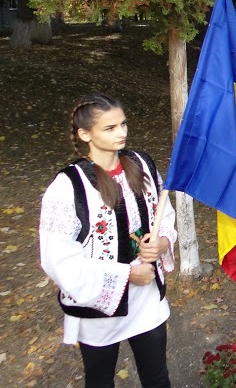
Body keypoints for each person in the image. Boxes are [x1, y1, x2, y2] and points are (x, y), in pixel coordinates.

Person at [39, 94, 176, 388]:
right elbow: (57, 259)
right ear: (85, 134)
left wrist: (162, 241)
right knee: (100, 380)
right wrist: (127, 274)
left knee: (157, 376)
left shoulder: (141, 164)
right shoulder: (68, 186)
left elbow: (163, 213)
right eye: (110, 128)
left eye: (123, 124)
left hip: (146, 296)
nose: (122, 133)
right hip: (99, 303)